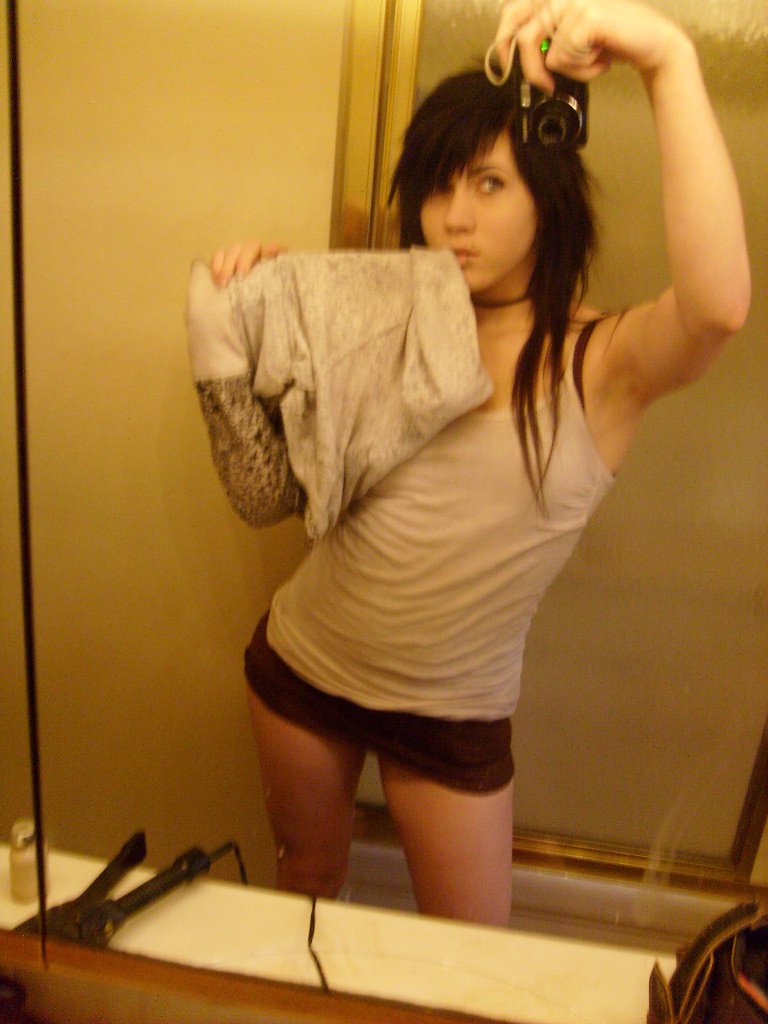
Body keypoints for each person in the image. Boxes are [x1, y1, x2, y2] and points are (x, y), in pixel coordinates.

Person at [203, 0, 749, 927]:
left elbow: (717, 309)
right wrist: (255, 289)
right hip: (303, 667)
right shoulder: (383, 316)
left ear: (547, 195)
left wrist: (666, 57)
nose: (453, 218)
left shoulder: (599, 364)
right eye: (437, 187)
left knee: (471, 950)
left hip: (452, 713)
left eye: (490, 184)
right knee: (306, 884)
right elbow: (274, 456)